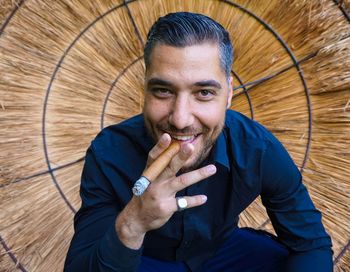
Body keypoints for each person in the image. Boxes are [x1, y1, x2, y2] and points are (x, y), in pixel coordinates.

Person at [64, 12, 333, 272]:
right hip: (146, 258)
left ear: (228, 94)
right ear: (144, 89)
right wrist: (133, 222)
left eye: (203, 92)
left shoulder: (257, 148)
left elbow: (310, 243)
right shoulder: (109, 152)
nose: (180, 120)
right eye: (163, 90)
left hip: (223, 252)